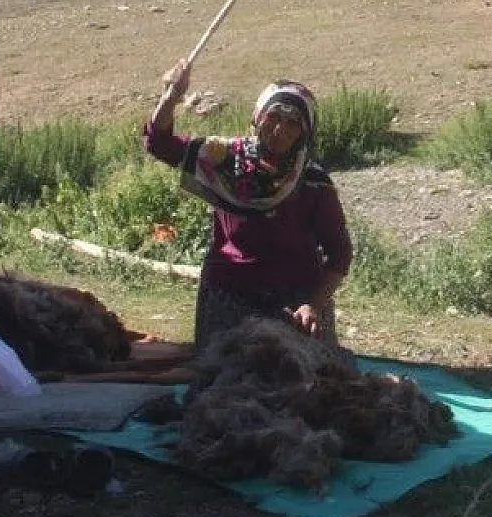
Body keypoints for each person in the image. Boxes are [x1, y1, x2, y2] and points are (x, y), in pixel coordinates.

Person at [143, 58, 353, 349]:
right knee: (224, 380)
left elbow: (340, 254)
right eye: (274, 117)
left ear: (304, 134)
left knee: (310, 383)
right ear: (257, 117)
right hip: (228, 299)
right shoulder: (223, 159)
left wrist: (313, 305)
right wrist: (172, 96)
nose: (280, 130)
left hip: (297, 305)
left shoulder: (313, 184)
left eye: (293, 123)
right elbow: (159, 143)